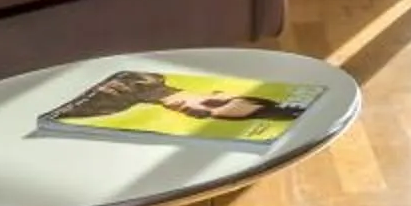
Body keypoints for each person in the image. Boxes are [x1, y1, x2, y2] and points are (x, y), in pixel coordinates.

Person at [48, 70, 279, 125]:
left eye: (201, 114)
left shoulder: (108, 109)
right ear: (218, 92)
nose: (191, 108)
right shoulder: (150, 76)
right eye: (212, 103)